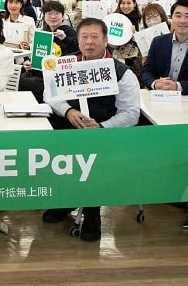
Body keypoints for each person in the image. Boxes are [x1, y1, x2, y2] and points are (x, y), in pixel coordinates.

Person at [42, 17, 141, 241]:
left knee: (90, 154)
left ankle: (92, 212)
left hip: (105, 134)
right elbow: (50, 94)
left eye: (95, 37)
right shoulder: (66, 64)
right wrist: (68, 111)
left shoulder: (121, 73)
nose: (89, 42)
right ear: (77, 41)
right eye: (84, 37)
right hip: (70, 126)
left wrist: (102, 127)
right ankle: (67, 200)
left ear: (106, 40)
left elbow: (131, 113)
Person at [112, 0, 144, 81]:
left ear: (134, 4)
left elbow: (143, 40)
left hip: (136, 57)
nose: (125, 6)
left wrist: (135, 33)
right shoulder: (114, 19)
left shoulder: (140, 20)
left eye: (129, 3)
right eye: (123, 3)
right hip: (118, 55)